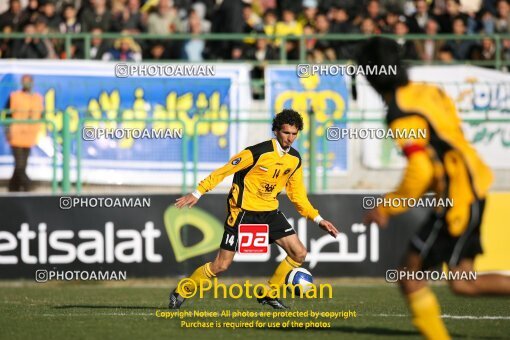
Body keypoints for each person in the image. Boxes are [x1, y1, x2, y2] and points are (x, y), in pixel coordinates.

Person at [357, 37, 510, 340]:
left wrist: (386, 206)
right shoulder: (428, 91)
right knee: (463, 281)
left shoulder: (400, 111)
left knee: (408, 276)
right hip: (473, 186)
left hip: (456, 197)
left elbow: (420, 168)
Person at [169, 109, 339, 309]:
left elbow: (298, 195)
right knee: (221, 265)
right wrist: (197, 192)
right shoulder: (256, 152)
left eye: (294, 134)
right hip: (242, 212)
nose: (290, 138)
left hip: (269, 213)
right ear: (276, 131)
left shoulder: (294, 159)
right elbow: (224, 171)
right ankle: (182, 290)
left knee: (299, 253)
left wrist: (318, 219)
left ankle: (269, 293)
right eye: (286, 133)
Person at [6, 75, 43, 192]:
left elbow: (40, 115)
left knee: (22, 165)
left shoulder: (37, 98)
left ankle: (13, 189)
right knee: (19, 165)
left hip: (29, 137)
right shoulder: (14, 97)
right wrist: (7, 130)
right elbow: (7, 114)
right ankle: (28, 186)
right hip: (16, 135)